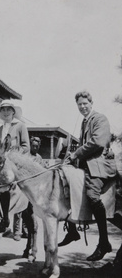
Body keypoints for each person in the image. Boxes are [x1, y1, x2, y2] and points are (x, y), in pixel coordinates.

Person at [58, 91, 117, 262]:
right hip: (87, 165)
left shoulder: (100, 119)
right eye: (79, 104)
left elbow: (98, 142)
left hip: (99, 166)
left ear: (91, 103)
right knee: (64, 182)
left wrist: (77, 153)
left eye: (85, 103)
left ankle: (104, 243)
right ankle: (72, 231)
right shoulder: (85, 122)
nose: (82, 107)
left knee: (92, 196)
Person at [0, 99, 30, 234]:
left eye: (9, 109)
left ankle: (21, 223)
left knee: (16, 189)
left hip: (15, 165)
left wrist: (13, 156)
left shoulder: (20, 126)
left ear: (13, 112)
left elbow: (26, 147)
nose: (6, 112)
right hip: (1, 165)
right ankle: (2, 219)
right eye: (3, 110)